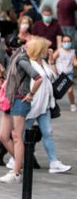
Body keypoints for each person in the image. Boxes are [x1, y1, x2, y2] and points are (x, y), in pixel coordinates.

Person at [0, 38, 44, 183]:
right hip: (11, 100)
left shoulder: (21, 59)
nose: (5, 50)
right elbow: (15, 78)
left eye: (6, 47)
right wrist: (3, 71)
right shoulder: (15, 58)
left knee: (16, 136)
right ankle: (20, 162)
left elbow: (38, 78)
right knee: (3, 136)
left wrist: (30, 95)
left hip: (19, 100)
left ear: (11, 47)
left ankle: (16, 172)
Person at [26, 39, 71, 174]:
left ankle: (54, 162)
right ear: (39, 50)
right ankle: (14, 158)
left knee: (48, 133)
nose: (48, 50)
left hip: (44, 105)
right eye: (46, 48)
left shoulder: (43, 62)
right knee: (22, 134)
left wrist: (51, 60)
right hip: (33, 105)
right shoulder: (30, 64)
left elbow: (54, 77)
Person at [52, 34, 75, 111]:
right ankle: (52, 105)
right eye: (64, 41)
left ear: (71, 42)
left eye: (68, 41)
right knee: (56, 90)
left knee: (70, 90)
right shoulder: (59, 50)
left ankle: (72, 104)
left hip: (69, 73)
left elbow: (75, 62)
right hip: (59, 74)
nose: (66, 43)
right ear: (62, 42)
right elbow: (52, 59)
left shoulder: (73, 51)